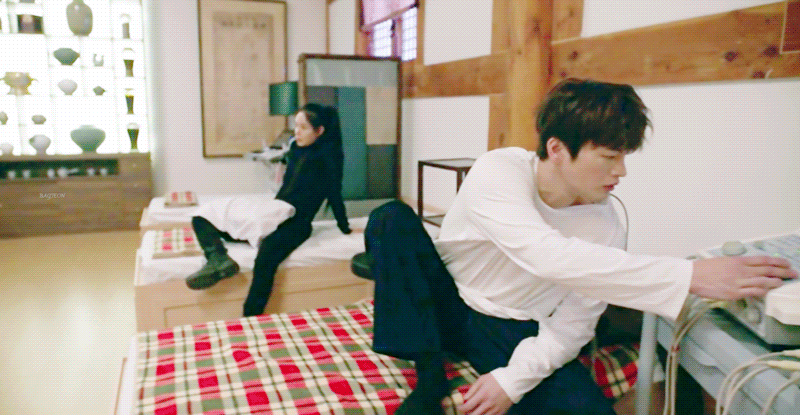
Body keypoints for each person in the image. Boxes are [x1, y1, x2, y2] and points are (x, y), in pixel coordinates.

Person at [367, 78, 796, 415]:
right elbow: (545, 254)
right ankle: (429, 378)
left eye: (624, 157)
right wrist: (689, 275)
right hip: (447, 297)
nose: (621, 171)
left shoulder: (606, 223)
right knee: (390, 219)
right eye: (609, 157)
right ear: (556, 148)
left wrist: (511, 381)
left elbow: (573, 325)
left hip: (512, 324)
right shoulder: (498, 171)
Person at [186, 103, 351, 317]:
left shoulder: (327, 160)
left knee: (265, 258)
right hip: (274, 211)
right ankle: (218, 258)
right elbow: (285, 187)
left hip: (296, 224)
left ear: (319, 131)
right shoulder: (295, 149)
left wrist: (345, 227)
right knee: (203, 217)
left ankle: (251, 317)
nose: (297, 132)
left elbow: (335, 196)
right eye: (296, 126)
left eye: (303, 128)